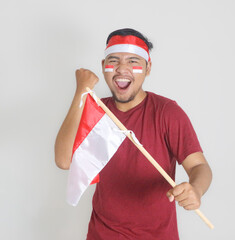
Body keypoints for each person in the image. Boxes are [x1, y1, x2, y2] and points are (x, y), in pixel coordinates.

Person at [55, 28, 212, 239]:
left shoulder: (167, 112)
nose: (122, 69)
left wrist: (196, 189)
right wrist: (81, 91)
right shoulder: (96, 113)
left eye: (133, 61)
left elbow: (199, 166)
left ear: (148, 69)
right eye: (113, 60)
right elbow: (64, 160)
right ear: (103, 67)